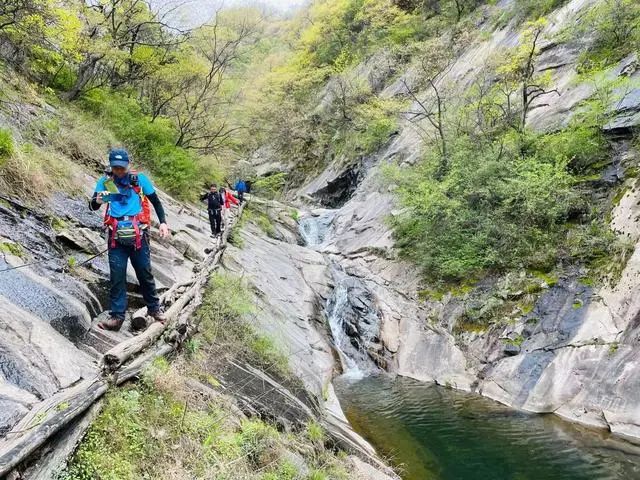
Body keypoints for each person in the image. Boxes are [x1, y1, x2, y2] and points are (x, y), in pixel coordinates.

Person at [89, 148, 170, 331]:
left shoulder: (139, 180)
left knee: (144, 273)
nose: (119, 171)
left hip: (139, 235)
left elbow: (156, 201)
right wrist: (98, 201)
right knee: (117, 277)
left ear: (128, 165)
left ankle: (154, 309)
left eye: (122, 167)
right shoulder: (105, 182)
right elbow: (92, 205)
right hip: (116, 237)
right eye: (116, 167)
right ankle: (117, 318)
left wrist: (163, 223)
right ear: (111, 166)